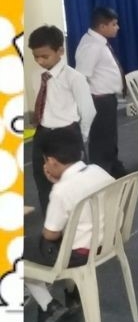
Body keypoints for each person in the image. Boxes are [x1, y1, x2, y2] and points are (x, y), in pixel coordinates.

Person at [23, 127, 115, 322]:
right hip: (106, 242)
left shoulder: (61, 191)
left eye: (45, 161)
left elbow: (50, 234)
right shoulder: (98, 171)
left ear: (52, 161)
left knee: (14, 249)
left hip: (79, 253)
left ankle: (48, 305)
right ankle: (72, 295)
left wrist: (57, 187)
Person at [28, 25, 96, 213]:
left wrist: (81, 136)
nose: (40, 61)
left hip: (67, 134)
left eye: (45, 56)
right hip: (42, 133)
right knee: (42, 180)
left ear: (60, 51)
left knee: (74, 182)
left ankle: (79, 222)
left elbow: (88, 111)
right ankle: (51, 222)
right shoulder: (36, 75)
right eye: (35, 57)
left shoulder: (74, 78)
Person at [75, 6, 127, 178]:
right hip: (99, 100)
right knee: (101, 140)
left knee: (110, 138)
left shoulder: (98, 42)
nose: (117, 27)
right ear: (102, 26)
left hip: (107, 98)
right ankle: (100, 176)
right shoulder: (91, 46)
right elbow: (82, 76)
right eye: (114, 24)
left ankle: (113, 168)